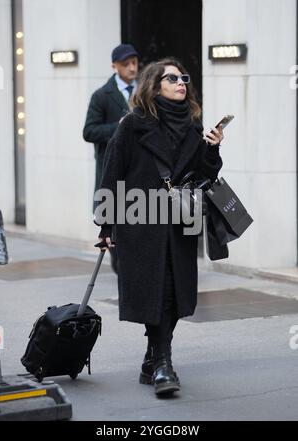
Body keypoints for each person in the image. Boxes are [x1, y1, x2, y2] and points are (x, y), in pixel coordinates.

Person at [96, 58, 224, 396]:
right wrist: (105, 224)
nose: (181, 83)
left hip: (180, 222)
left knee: (176, 295)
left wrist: (212, 148)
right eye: (172, 79)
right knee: (159, 292)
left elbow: (203, 176)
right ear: (155, 85)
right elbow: (112, 174)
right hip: (141, 223)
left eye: (184, 78)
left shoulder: (194, 127)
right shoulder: (132, 124)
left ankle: (151, 357)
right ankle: (164, 366)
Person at [83, 43, 139, 273]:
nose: (132, 68)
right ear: (114, 66)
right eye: (126, 64)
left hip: (140, 176)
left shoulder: (147, 91)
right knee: (117, 240)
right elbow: (89, 131)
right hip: (113, 173)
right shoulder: (101, 96)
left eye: (135, 63)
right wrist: (118, 128)